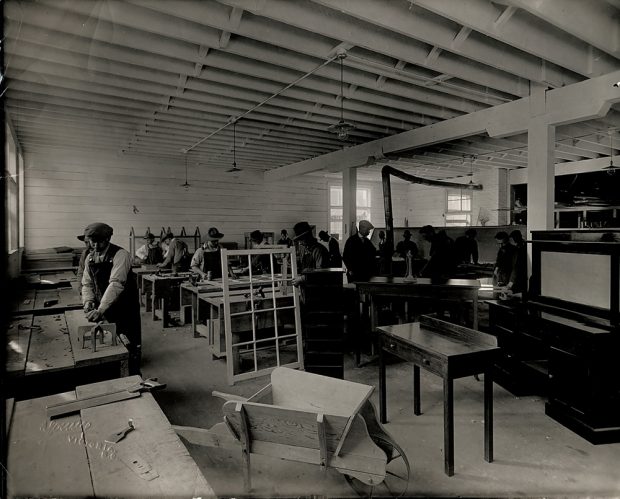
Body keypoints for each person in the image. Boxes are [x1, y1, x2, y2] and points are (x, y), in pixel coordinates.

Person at [81, 222, 141, 374]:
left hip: (124, 307)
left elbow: (116, 284)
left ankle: (134, 376)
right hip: (105, 306)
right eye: (91, 241)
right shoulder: (90, 258)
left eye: (98, 241)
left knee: (129, 343)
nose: (93, 245)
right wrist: (88, 301)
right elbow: (87, 283)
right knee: (108, 346)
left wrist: (100, 309)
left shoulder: (121, 255)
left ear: (107, 238)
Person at [291, 222, 330, 287]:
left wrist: (301, 279)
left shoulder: (318, 250)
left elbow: (321, 274)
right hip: (308, 289)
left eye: (301, 240)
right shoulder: (305, 249)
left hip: (318, 290)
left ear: (307, 237)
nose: (300, 243)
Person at [506, 229, 527, 294]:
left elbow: (516, 266)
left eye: (514, 238)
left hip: (520, 277)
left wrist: (511, 282)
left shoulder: (520, 249)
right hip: (519, 275)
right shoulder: (521, 246)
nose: (514, 240)